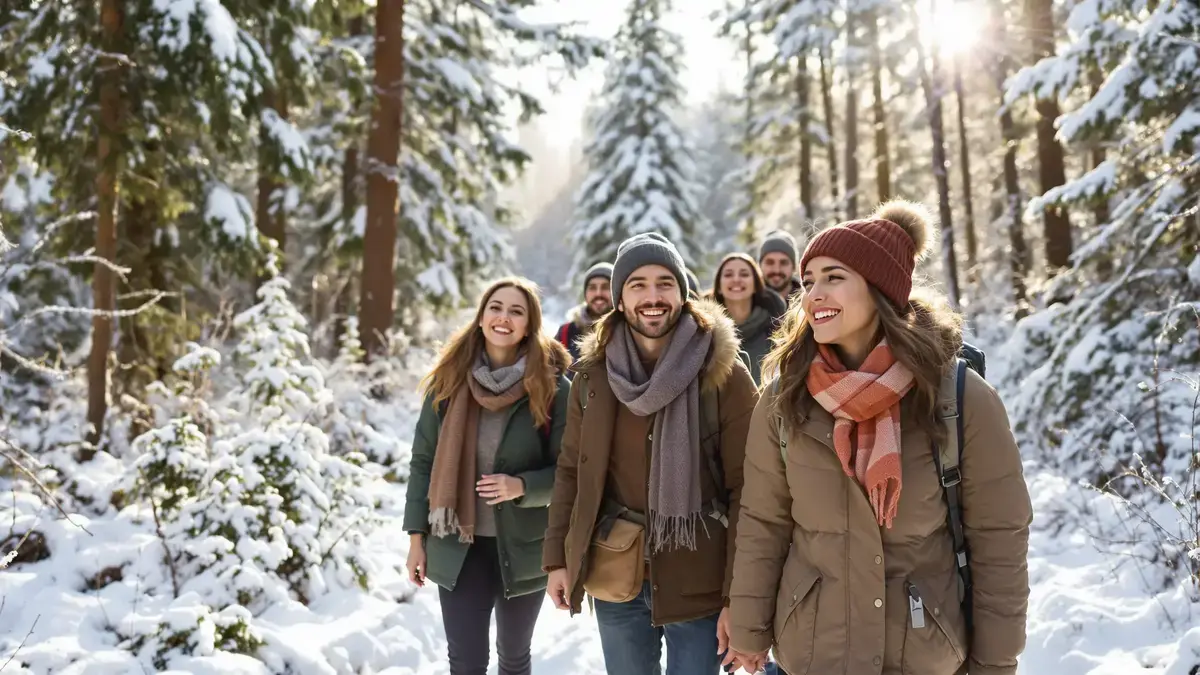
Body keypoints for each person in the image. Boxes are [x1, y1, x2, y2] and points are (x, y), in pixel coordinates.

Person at [726, 201, 1033, 675]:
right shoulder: (784, 398)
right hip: (814, 652)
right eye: (808, 281)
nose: (813, 294)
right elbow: (763, 520)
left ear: (880, 287)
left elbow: (999, 538)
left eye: (833, 277)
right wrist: (749, 629)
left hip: (922, 652)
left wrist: (995, 662)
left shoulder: (957, 397)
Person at [541, 232, 759, 675]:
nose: (653, 296)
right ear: (620, 300)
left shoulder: (724, 374)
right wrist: (557, 559)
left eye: (665, 283)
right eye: (637, 284)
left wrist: (739, 595)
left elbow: (751, 490)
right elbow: (572, 471)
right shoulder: (593, 377)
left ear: (683, 293)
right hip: (615, 572)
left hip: (699, 576)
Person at [404, 277, 572, 675]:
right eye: (495, 308)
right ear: (481, 318)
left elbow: (569, 471)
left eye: (516, 311)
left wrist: (522, 487)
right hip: (458, 546)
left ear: (529, 326)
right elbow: (423, 461)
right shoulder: (447, 382)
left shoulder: (553, 388)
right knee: (466, 662)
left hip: (525, 546)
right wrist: (415, 538)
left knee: (514, 658)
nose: (504, 318)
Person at [709, 253, 787, 386]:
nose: (736, 279)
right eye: (728, 275)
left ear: (756, 285)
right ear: (719, 287)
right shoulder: (706, 331)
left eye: (744, 274)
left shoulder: (775, 328)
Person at [556, 262, 614, 364]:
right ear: (585, 293)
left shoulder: (629, 331)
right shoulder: (566, 332)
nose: (598, 293)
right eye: (592, 288)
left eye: (605, 287)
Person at [757, 230, 802, 302]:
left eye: (784, 263)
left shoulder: (809, 301)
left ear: (794, 267)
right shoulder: (747, 302)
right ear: (759, 266)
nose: (777, 270)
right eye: (770, 263)